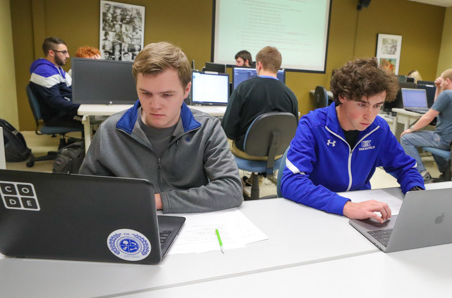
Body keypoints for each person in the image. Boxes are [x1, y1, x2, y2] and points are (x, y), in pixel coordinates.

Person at [79, 42, 243, 213]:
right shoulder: (110, 131)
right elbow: (86, 192)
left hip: (191, 222)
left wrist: (157, 201)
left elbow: (231, 190)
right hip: (130, 221)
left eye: (167, 95)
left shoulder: (207, 129)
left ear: (186, 90)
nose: (155, 105)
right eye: (146, 93)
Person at [281, 58, 424, 223]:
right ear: (342, 96)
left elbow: (405, 167)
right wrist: (347, 207)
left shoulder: (379, 129)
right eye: (362, 105)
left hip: (360, 212)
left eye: (377, 106)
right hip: (317, 210)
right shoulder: (313, 125)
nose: (370, 116)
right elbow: (291, 182)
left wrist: (416, 191)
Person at [400, 69, 452, 181]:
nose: (439, 80)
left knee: (405, 138)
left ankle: (422, 174)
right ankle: (446, 171)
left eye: (441, 79)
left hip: (445, 140)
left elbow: (429, 116)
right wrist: (438, 88)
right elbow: (437, 105)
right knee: (433, 136)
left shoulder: (448, 94)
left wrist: (411, 129)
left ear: (447, 81)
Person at [222, 46, 298, 153]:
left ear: (259, 65)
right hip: (277, 152)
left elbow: (228, 129)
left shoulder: (243, 89)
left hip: (246, 149)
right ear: (278, 67)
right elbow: (292, 130)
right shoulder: (291, 96)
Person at [29, 37, 82, 128]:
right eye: (64, 52)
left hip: (66, 111)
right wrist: (81, 107)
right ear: (51, 53)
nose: (68, 56)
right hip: (58, 116)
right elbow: (55, 102)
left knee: (99, 117)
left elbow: (71, 90)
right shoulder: (44, 71)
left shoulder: (57, 69)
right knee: (96, 121)